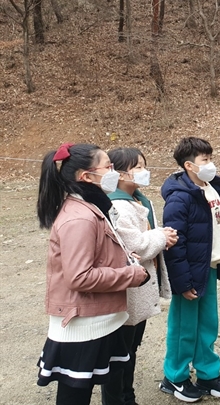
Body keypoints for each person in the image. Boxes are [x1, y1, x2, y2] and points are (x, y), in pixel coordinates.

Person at [36, 143, 149, 405]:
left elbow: (96, 255)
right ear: (86, 176)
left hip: (96, 321)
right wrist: (130, 275)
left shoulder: (92, 206)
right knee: (74, 398)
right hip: (81, 328)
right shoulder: (80, 218)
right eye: (108, 167)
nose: (114, 172)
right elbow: (79, 277)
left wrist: (125, 259)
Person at [159, 137, 220, 402]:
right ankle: (175, 377)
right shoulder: (179, 198)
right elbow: (174, 244)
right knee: (184, 327)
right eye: (204, 160)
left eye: (210, 157)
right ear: (189, 165)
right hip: (189, 272)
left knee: (208, 324)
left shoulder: (214, 188)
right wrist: (182, 283)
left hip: (209, 268)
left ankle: (208, 375)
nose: (210, 164)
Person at [101, 147, 178, 405]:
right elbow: (134, 245)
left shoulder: (139, 199)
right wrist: (162, 236)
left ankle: (128, 395)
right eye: (138, 167)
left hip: (140, 286)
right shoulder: (116, 205)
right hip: (127, 290)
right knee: (120, 351)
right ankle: (118, 399)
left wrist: (158, 237)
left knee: (131, 348)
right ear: (119, 173)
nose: (144, 172)